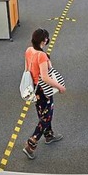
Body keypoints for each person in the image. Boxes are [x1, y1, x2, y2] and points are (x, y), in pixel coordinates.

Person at [23, 28, 66, 160]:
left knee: (42, 112)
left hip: (35, 89)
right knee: (46, 117)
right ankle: (31, 144)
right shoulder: (41, 56)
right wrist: (60, 86)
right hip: (44, 89)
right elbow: (45, 77)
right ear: (44, 40)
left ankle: (49, 135)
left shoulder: (29, 50)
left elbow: (27, 69)